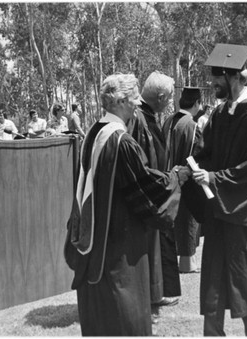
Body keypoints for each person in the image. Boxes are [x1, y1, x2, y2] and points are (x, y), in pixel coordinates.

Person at [64, 73, 188, 336]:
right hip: (120, 245)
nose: (136, 104)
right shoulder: (121, 141)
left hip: (95, 239)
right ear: (120, 101)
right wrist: (176, 177)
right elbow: (145, 186)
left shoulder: (94, 133)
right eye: (133, 99)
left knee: (100, 315)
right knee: (123, 313)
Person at [187, 43, 247, 336]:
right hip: (220, 209)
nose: (213, 83)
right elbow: (206, 152)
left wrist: (214, 178)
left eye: (219, 78)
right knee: (214, 283)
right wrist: (191, 167)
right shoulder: (218, 114)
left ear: (237, 77)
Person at [129, 70, 181, 309]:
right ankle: (152, 294)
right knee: (150, 245)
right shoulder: (137, 118)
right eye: (169, 97)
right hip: (147, 193)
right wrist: (166, 180)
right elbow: (137, 163)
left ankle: (157, 292)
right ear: (160, 97)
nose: (171, 102)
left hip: (157, 188)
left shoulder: (147, 115)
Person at [162, 87, 203, 274]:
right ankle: (187, 264)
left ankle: (174, 260)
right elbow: (198, 155)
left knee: (172, 220)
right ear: (196, 103)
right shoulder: (192, 126)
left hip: (166, 178)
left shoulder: (167, 121)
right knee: (187, 219)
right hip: (186, 179)